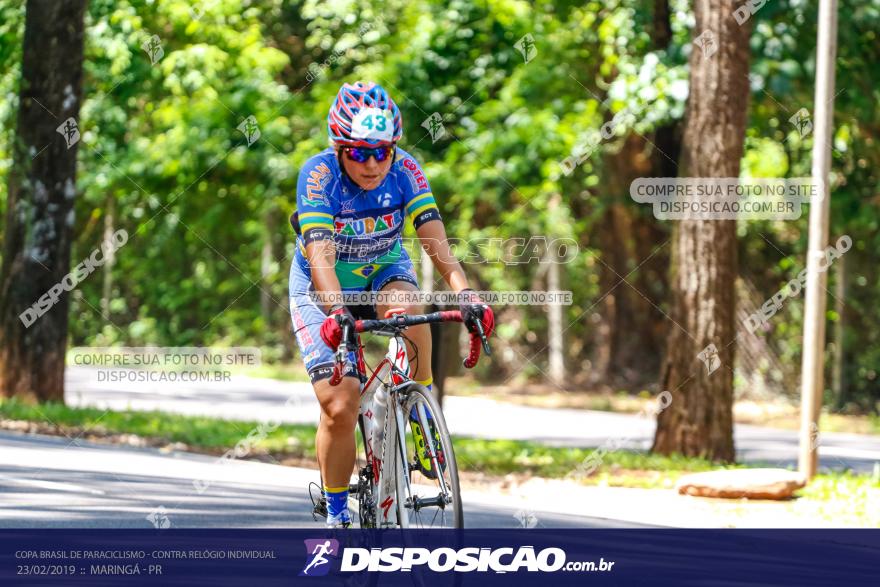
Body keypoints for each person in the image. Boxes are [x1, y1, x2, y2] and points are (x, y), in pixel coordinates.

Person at [289, 81, 494, 528]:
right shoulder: (319, 175)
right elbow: (320, 253)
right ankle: (338, 514)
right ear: (341, 149)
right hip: (323, 287)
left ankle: (419, 418)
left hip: (383, 270)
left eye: (383, 152)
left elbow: (435, 240)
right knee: (340, 405)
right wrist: (336, 311)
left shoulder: (406, 170)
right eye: (361, 152)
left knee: (410, 307)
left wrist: (466, 295)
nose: (374, 163)